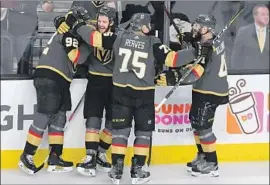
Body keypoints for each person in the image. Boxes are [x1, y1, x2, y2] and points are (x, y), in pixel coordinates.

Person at [61, 8, 210, 183]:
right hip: (143, 93)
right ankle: (137, 171)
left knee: (120, 132)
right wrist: (196, 51)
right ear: (145, 27)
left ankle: (116, 170)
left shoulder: (119, 37)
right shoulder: (153, 42)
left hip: (120, 91)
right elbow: (173, 59)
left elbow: (95, 39)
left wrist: (77, 25)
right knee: (143, 133)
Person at [18, 9, 91, 175]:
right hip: (52, 76)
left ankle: (55, 158)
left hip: (59, 79)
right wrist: (89, 46)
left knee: (59, 117)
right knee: (44, 115)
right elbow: (77, 58)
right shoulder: (70, 35)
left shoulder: (63, 31)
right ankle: (27, 155)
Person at [157, 14, 229, 177]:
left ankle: (212, 163)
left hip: (211, 91)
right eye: (194, 25)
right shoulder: (214, 40)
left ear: (207, 30)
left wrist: (171, 78)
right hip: (203, 89)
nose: (194, 28)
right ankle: (203, 155)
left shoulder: (205, 48)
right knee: (196, 124)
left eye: (198, 27)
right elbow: (202, 48)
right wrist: (191, 42)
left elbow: (192, 71)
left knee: (203, 127)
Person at [74, 6, 117, 177]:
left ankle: (101, 152)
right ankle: (90, 156)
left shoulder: (117, 37)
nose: (101, 24)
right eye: (99, 21)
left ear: (112, 22)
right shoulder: (92, 33)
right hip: (95, 81)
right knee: (93, 118)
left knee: (113, 122)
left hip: (114, 83)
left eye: (104, 21)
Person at [231, 4, 269, 71]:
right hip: (248, 75)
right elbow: (236, 58)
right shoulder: (243, 32)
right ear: (255, 16)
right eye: (263, 14)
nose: (266, 17)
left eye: (267, 14)